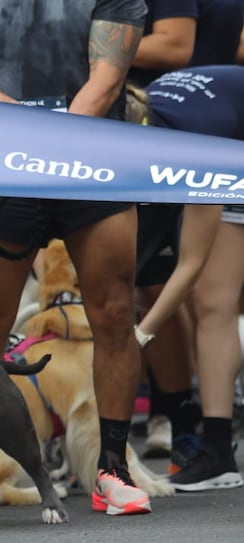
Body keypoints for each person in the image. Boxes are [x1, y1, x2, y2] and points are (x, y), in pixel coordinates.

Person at [0, 0, 152, 517]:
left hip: (94, 157)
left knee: (112, 314)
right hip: (7, 158)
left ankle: (112, 469)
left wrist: (56, 146)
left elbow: (106, 80)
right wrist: (29, 140)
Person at [127, 66, 244, 491]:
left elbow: (190, 263)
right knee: (212, 302)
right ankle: (217, 452)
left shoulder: (196, 141)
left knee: (215, 298)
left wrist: (138, 337)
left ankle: (215, 446)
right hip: (225, 130)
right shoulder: (136, 119)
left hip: (225, 142)